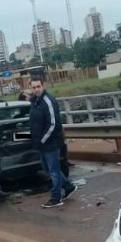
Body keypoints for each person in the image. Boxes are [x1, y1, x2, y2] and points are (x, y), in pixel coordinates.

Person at [29, 76, 77, 208]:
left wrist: (42, 140)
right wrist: (35, 139)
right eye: (34, 87)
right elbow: (34, 123)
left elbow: (53, 124)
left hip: (51, 142)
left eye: (38, 86)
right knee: (47, 168)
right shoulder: (34, 102)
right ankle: (68, 186)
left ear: (43, 85)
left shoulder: (48, 101)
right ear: (31, 88)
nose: (36, 89)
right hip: (41, 144)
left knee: (54, 170)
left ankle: (56, 198)